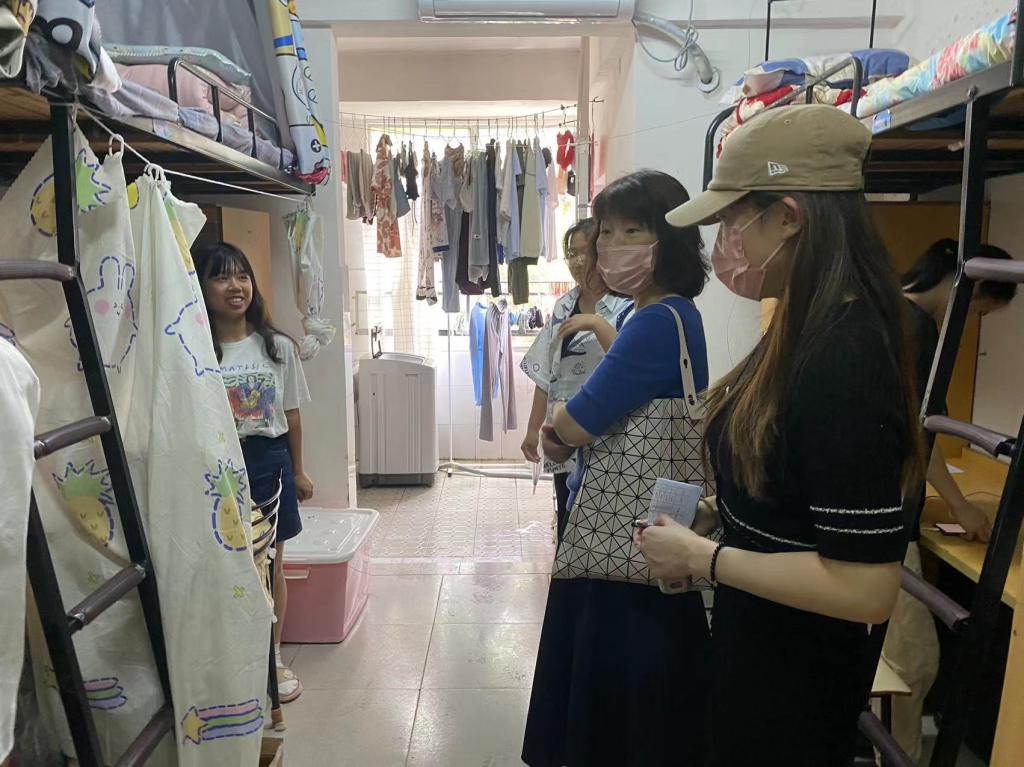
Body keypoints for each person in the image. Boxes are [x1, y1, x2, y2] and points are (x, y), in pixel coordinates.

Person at [637, 105, 923, 765]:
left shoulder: (845, 353)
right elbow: (794, 484)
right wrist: (720, 514)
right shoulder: (803, 324)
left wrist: (702, 557)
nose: (724, 244)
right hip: (759, 654)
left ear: (789, 217)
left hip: (796, 687)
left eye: (734, 221)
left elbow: (866, 587)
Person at [522, 170, 712, 767]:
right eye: (606, 231)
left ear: (670, 237)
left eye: (635, 230)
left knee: (619, 695)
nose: (612, 245)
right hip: (647, 525)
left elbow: (578, 422)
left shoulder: (654, 321)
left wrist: (557, 426)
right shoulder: (659, 314)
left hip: (624, 540)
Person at [886, 237, 1018, 760]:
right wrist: (961, 505)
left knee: (903, 661)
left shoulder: (887, 308)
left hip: (871, 513)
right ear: (972, 286)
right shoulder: (916, 330)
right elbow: (920, 436)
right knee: (914, 665)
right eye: (981, 312)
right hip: (885, 521)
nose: (972, 322)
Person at [194, 242, 313, 704]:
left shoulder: (276, 346)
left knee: (270, 564)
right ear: (201, 287)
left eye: (242, 275)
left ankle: (272, 658)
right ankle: (232, 659)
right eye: (221, 276)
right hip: (217, 466)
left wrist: (299, 471)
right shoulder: (194, 349)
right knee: (226, 564)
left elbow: (292, 415)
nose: (235, 286)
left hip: (269, 461)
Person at [519, 217, 631, 543]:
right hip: (562, 437)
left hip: (608, 438)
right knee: (568, 521)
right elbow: (546, 373)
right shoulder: (563, 306)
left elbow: (627, 364)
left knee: (602, 528)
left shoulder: (626, 306)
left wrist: (596, 323)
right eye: (571, 253)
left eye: (586, 252)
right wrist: (532, 430)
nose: (578, 261)